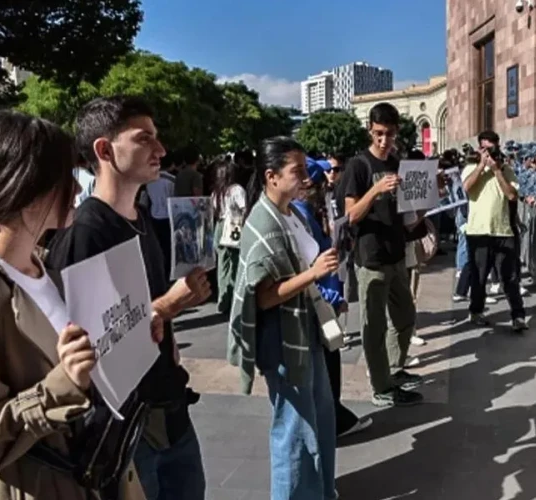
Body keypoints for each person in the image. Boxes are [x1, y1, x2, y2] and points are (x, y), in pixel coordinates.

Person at [0, 111, 147, 499]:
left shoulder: (48, 269)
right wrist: (59, 387)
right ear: (22, 186)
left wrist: (130, 338)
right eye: (63, 177)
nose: (75, 188)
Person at [46, 96, 211, 499]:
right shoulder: (85, 233)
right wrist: (166, 306)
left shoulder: (140, 220)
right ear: (104, 150)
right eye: (145, 139)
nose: (161, 149)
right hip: (128, 429)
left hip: (170, 409)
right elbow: (87, 347)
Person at [228, 137, 339, 499]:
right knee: (293, 432)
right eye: (298, 171)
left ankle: (321, 491)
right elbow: (261, 298)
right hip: (282, 339)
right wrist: (313, 274)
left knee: (319, 421)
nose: (306, 177)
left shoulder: (292, 212)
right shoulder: (263, 222)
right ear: (271, 176)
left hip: (305, 329)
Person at [342, 103, 424, 407]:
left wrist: (426, 198)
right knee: (373, 326)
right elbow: (350, 215)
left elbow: (409, 215)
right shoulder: (358, 165)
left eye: (389, 134)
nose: (383, 140)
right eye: (378, 134)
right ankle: (381, 387)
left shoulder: (398, 161)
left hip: (396, 253)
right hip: (371, 257)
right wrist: (375, 191)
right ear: (370, 130)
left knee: (405, 317)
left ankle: (392, 369)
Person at [291, 163, 373, 439]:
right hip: (318, 301)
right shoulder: (301, 215)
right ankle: (332, 420)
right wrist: (330, 296)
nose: (328, 184)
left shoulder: (308, 213)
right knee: (326, 363)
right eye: (319, 181)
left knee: (329, 359)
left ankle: (332, 416)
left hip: (324, 298)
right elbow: (307, 265)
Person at [462, 130, 528, 332]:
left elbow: (511, 195)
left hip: (503, 231)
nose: (488, 153)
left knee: (510, 277)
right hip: (478, 231)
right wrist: (482, 165)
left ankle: (518, 316)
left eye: (492, 148)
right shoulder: (471, 167)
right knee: (479, 276)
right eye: (484, 149)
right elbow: (466, 187)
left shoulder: (506, 169)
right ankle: (476, 311)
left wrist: (497, 170)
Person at [211, 159, 249, 315]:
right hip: (234, 227)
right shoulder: (236, 190)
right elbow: (244, 208)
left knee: (222, 265)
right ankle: (234, 298)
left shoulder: (216, 192)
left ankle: (223, 297)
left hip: (219, 227)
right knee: (235, 263)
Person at [141, 153, 177, 279]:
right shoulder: (172, 180)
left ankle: (161, 270)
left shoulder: (150, 181)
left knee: (159, 246)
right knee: (169, 247)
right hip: (168, 217)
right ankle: (169, 272)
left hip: (154, 215)